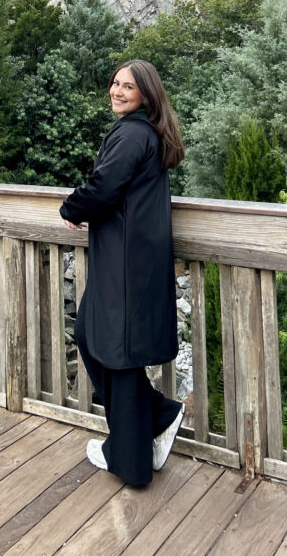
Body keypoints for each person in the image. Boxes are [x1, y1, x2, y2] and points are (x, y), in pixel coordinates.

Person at [60, 60, 185, 487]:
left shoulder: (133, 133)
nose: (117, 91)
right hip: (129, 254)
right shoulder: (143, 132)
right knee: (94, 336)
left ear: (145, 94)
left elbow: (104, 185)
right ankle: (160, 415)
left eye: (127, 86)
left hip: (127, 259)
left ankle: (131, 461)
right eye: (115, 83)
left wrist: (71, 208)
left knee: (115, 349)